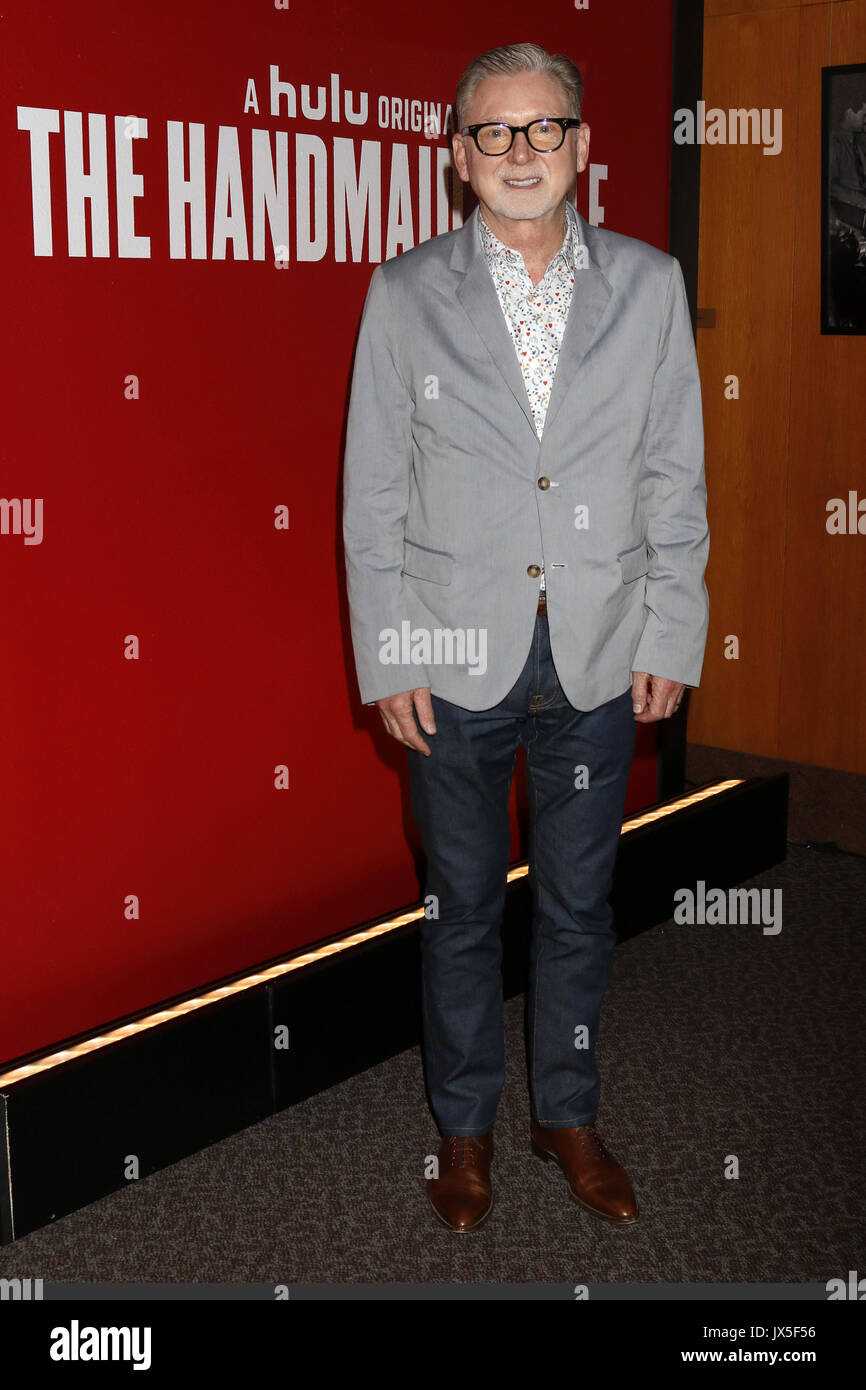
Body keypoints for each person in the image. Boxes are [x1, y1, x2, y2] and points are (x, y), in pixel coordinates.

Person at [342, 42, 709, 1232]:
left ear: (581, 148)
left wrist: (672, 625)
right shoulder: (402, 295)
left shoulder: (649, 287)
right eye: (491, 134)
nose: (517, 153)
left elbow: (672, 474)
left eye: (541, 129)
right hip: (449, 660)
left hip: (600, 648)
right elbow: (370, 498)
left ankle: (568, 1110)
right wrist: (390, 652)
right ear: (457, 158)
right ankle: (461, 1130)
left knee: (578, 903)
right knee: (459, 904)